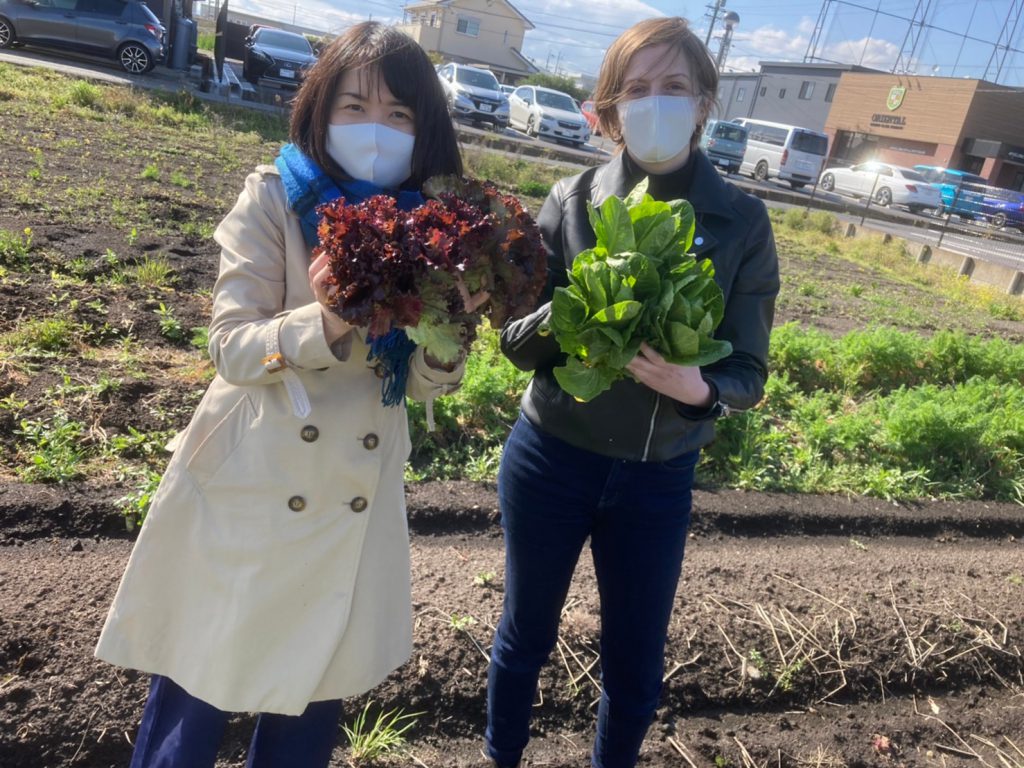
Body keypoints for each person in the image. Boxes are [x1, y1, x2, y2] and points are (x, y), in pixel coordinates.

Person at [95, 22, 479, 768]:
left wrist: (446, 331)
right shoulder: (274, 196)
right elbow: (232, 346)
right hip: (251, 486)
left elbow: (430, 383)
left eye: (400, 115)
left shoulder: (433, 226)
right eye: (355, 107)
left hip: (350, 504)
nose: (377, 129)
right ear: (319, 111)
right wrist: (328, 317)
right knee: (197, 696)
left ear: (423, 130)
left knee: (308, 707)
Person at [485, 16, 780, 768]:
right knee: (524, 639)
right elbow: (515, 346)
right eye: (637, 90)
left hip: (657, 473)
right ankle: (501, 757)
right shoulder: (572, 198)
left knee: (636, 666)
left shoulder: (741, 221)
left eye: (674, 87)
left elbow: (747, 372)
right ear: (609, 110)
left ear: (705, 102)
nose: (656, 103)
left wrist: (698, 388)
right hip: (551, 458)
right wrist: (576, 306)